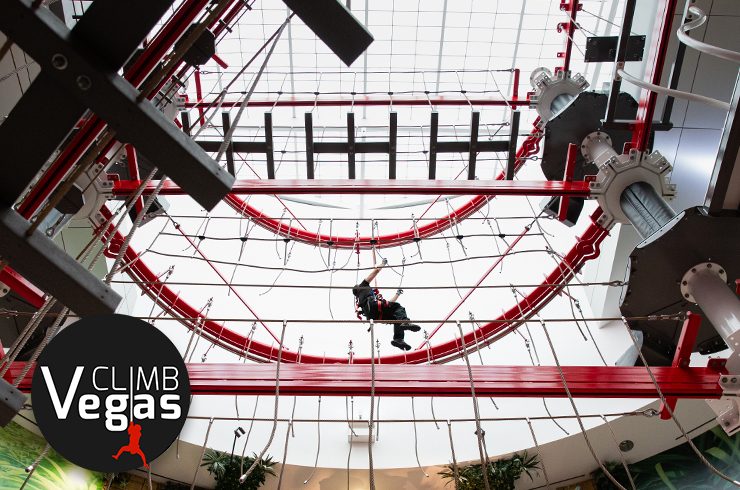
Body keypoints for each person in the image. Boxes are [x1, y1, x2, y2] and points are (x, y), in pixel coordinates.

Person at [352, 258, 420, 351]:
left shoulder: (361, 300)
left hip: (374, 315)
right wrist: (382, 264)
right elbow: (374, 272)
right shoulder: (362, 286)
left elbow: (390, 304)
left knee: (397, 317)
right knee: (398, 307)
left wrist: (397, 294)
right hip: (373, 307)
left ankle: (398, 339)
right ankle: (405, 322)